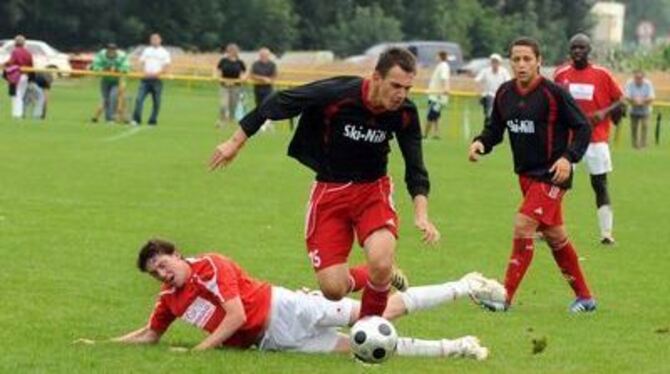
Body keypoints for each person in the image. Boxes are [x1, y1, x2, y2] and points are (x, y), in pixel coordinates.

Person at [209, 48, 440, 321]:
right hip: (330, 192)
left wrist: (421, 215)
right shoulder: (338, 93)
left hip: (372, 191)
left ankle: (367, 331)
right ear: (376, 77)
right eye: (396, 86)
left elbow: (416, 167)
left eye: (408, 88)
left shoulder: (405, 113)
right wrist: (235, 142)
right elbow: (279, 102)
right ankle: (382, 274)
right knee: (333, 289)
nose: (401, 94)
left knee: (380, 259)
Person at [80, 238, 503, 359]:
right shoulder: (169, 299)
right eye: (155, 272)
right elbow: (150, 336)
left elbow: (235, 315)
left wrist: (198, 352)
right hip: (273, 342)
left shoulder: (210, 265)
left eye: (163, 263)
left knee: (384, 310)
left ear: (175, 253)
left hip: (287, 307)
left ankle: (465, 285)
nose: (162, 272)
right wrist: (101, 347)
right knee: (366, 347)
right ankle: (457, 348)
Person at [468, 37, 596, 313]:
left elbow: (583, 127)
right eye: (516, 59)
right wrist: (481, 142)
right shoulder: (504, 93)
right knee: (556, 237)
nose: (521, 64)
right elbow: (494, 130)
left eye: (527, 59)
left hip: (552, 175)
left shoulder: (554, 93)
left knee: (523, 225)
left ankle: (505, 297)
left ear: (539, 61)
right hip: (526, 177)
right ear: (510, 62)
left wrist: (568, 158)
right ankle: (585, 298)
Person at [553, 33, 624, 245]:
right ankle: (548, 227)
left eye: (581, 48)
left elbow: (621, 101)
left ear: (588, 50)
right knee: (559, 183)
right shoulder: (561, 74)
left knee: (600, 184)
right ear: (569, 50)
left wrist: (604, 113)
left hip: (596, 140)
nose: (577, 51)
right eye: (574, 47)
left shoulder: (602, 74)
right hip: (570, 140)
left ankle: (606, 233)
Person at [132, 33, 171, 126]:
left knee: (156, 102)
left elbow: (166, 66)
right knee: (139, 99)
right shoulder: (146, 50)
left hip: (157, 80)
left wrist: (157, 74)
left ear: (160, 40)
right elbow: (141, 62)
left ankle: (152, 120)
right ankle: (136, 119)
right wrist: (144, 72)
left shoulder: (164, 52)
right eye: (152, 39)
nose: (154, 41)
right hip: (145, 79)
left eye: (156, 39)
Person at [90, 43, 130, 123]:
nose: (111, 53)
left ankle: (113, 117)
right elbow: (95, 66)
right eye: (110, 51)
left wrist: (118, 69)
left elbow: (126, 67)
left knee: (113, 96)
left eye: (113, 51)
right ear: (107, 51)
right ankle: (108, 118)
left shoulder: (122, 56)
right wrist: (104, 69)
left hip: (118, 80)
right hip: (106, 80)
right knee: (105, 100)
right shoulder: (101, 55)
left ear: (116, 51)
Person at [474, 53, 511, 126]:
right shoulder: (485, 71)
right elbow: (477, 81)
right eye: (493, 61)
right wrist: (478, 91)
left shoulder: (504, 72)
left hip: (500, 97)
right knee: (489, 110)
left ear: (499, 63)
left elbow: (508, 84)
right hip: (488, 95)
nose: (494, 63)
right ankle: (489, 119)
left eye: (496, 61)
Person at [216, 43, 246, 127]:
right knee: (223, 104)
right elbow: (218, 72)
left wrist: (241, 79)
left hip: (236, 86)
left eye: (234, 51)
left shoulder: (240, 62)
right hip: (224, 86)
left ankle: (230, 120)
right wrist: (221, 79)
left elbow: (243, 73)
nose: (232, 52)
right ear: (227, 51)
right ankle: (221, 120)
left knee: (233, 105)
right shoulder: (223, 61)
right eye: (230, 51)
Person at [624, 70, 655, 149]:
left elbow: (652, 97)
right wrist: (635, 100)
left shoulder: (648, 84)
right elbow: (626, 96)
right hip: (633, 109)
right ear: (634, 78)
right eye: (636, 78)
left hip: (645, 109)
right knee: (634, 128)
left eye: (640, 78)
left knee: (645, 126)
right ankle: (635, 145)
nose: (638, 79)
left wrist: (642, 101)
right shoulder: (629, 83)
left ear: (643, 78)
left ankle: (643, 145)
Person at [5, 35, 33, 119]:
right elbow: (31, 65)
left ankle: (16, 115)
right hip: (25, 76)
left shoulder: (15, 51)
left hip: (16, 75)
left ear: (15, 42)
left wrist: (4, 65)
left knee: (16, 95)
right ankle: (19, 114)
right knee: (21, 95)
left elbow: (11, 62)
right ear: (24, 43)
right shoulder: (28, 52)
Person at [250, 47, 277, 132]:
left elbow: (274, 76)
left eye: (266, 55)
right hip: (258, 88)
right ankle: (259, 124)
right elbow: (252, 75)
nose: (264, 56)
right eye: (262, 55)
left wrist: (269, 80)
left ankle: (268, 123)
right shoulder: (255, 64)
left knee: (268, 105)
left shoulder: (272, 64)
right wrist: (262, 78)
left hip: (268, 89)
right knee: (259, 106)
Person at [424, 51, 450, 139]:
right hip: (434, 95)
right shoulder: (440, 65)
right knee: (436, 116)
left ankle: (425, 134)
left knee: (431, 115)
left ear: (440, 56)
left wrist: (445, 88)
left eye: (437, 56)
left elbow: (444, 78)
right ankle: (436, 134)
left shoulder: (443, 66)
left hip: (437, 97)